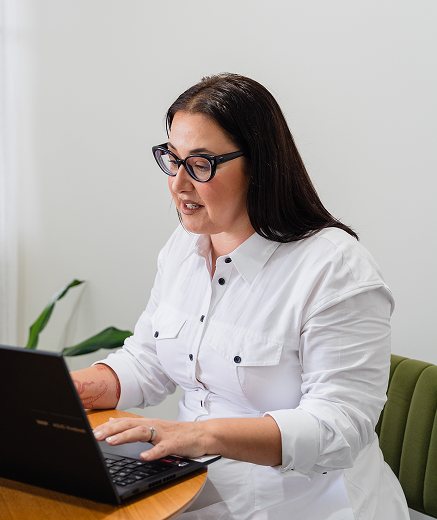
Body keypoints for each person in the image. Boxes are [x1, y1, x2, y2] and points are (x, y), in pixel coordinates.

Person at [71, 73, 409, 519]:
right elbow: (150, 359)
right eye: (172, 159)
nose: (178, 183)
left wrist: (201, 436)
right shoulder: (183, 247)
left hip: (299, 506)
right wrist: (73, 390)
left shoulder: (335, 269)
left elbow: (339, 427)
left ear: (259, 165)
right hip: (191, 487)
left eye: (201, 163)